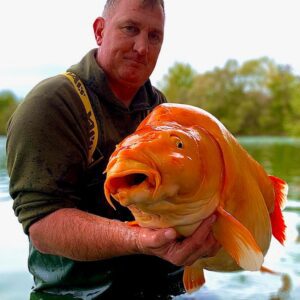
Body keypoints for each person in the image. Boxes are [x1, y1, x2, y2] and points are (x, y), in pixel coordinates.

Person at [6, 0, 219, 299]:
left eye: (154, 36)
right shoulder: (51, 104)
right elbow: (42, 224)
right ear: (99, 31)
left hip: (169, 289)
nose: (142, 47)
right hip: (77, 295)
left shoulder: (163, 110)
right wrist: (139, 239)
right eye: (130, 29)